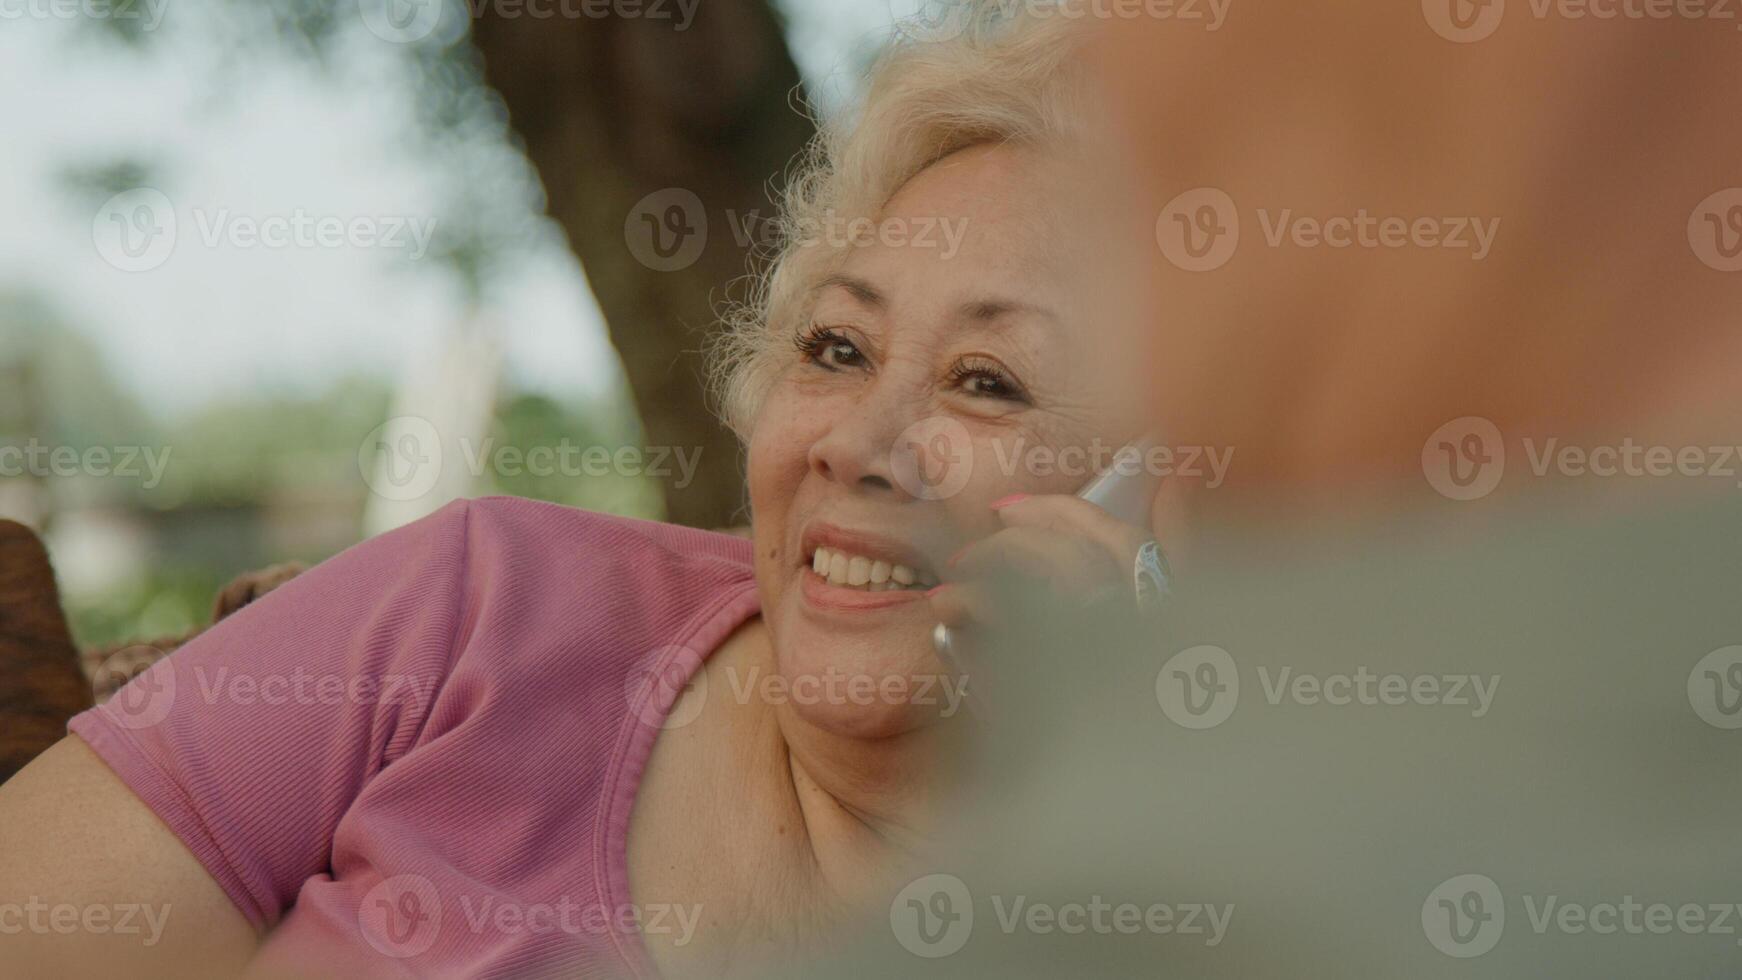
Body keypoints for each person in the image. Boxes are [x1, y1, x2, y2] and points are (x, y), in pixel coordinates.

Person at [0, 9, 1163, 978]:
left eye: (986, 382)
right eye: (838, 347)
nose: (860, 442)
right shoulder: (479, 608)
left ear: (1152, 492)